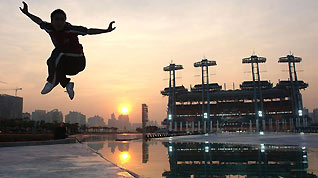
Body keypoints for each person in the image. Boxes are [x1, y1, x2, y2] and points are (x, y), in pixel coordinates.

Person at [19, 1, 116, 100]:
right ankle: (67, 84)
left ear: (65, 21)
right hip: (66, 64)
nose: (59, 22)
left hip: (78, 60)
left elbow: (89, 31)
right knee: (52, 63)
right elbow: (38, 21)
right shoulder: (49, 28)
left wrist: (106, 30)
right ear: (52, 21)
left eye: (62, 20)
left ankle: (51, 81)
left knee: (57, 52)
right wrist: (27, 13)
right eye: (56, 20)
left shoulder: (71, 29)